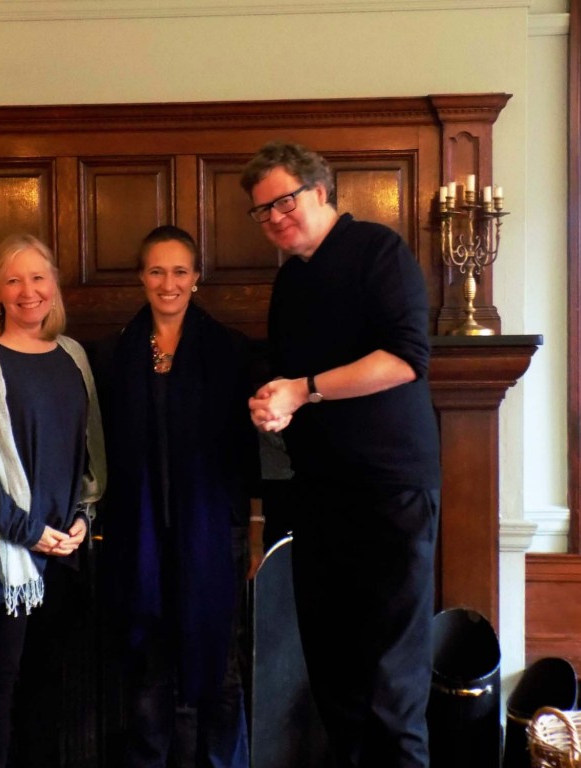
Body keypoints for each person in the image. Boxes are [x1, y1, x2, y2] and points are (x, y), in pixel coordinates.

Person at [242, 141, 441, 768]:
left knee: (392, 684)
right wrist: (274, 403)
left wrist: (305, 389)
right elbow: (292, 383)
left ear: (321, 191)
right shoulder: (290, 281)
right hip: (318, 497)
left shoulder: (378, 252)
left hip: (390, 492)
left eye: (284, 201)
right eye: (262, 211)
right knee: (334, 679)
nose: (275, 217)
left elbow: (406, 359)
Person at [0, 234, 107, 768]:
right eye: (13, 280)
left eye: (38, 277)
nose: (27, 290)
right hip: (2, 554)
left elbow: (89, 456)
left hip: (62, 550)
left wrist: (82, 517)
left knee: (49, 682)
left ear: (54, 286)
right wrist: (26, 529)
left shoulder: (74, 356)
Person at [99, 225, 263, 768]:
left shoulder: (229, 351)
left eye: (179, 271)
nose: (167, 283)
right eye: (156, 271)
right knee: (148, 658)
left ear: (196, 279)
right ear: (141, 277)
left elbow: (250, 453)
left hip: (214, 532)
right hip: (139, 535)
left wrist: (253, 527)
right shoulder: (119, 354)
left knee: (220, 662)